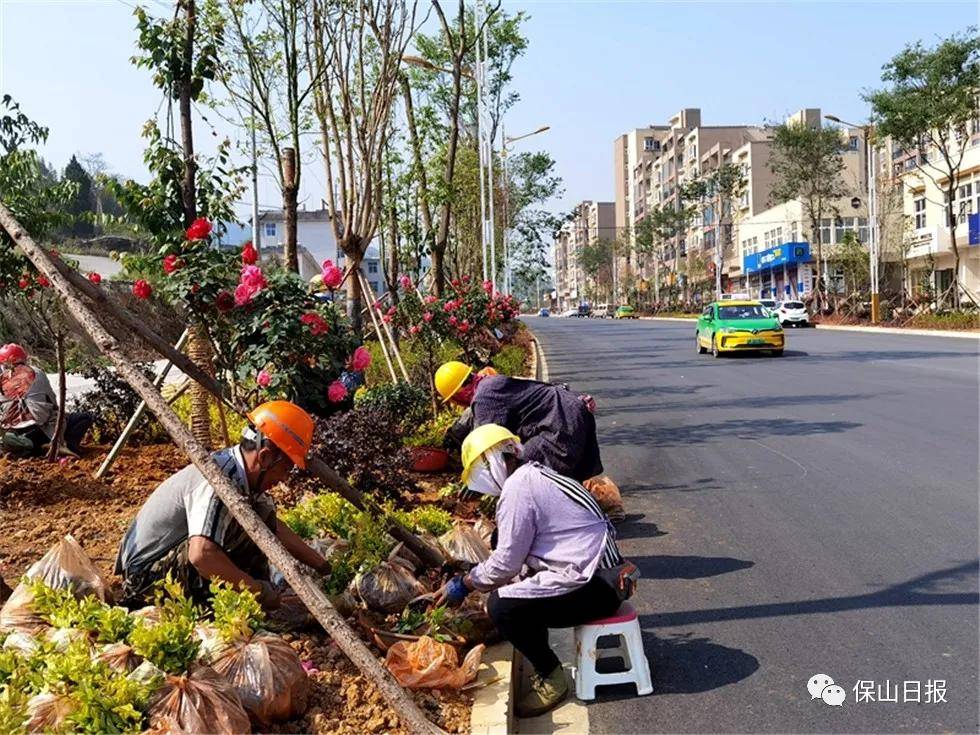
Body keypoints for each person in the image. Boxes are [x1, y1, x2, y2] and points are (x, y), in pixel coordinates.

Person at [436, 424, 628, 718]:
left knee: (503, 607)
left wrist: (464, 583)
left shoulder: (518, 490)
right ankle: (543, 659)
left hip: (598, 587)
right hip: (608, 576)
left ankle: (551, 675)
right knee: (517, 579)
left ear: (492, 463)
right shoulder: (534, 474)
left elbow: (505, 564)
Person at [115, 400, 331, 608]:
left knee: (259, 516)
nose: (284, 478)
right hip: (146, 579)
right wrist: (258, 592)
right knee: (239, 533)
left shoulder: (241, 473)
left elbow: (272, 527)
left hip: (166, 563)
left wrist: (322, 565)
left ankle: (249, 599)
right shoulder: (219, 479)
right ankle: (229, 604)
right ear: (265, 458)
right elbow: (201, 555)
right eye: (286, 468)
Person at [436, 360, 601, 482]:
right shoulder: (490, 383)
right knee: (564, 477)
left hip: (561, 423)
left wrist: (476, 479)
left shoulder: (483, 398)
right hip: (570, 411)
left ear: (460, 393)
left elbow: (490, 446)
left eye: (454, 399)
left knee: (525, 474)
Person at [0, 343, 93, 456]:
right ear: (23, 358)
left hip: (13, 431)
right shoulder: (36, 372)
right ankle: (66, 447)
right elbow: (52, 402)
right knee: (83, 417)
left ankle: (29, 449)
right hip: (40, 428)